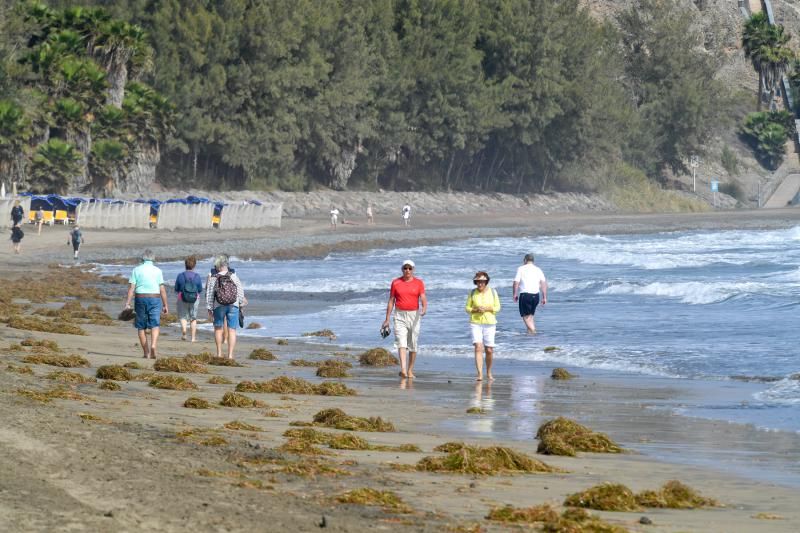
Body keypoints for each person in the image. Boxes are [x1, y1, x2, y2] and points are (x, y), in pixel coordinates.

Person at [382, 259, 427, 379]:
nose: (407, 270)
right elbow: (391, 300)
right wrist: (387, 319)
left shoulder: (419, 283)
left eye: (410, 268)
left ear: (413, 270)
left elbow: (422, 297)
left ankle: (410, 370)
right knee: (401, 342)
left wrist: (424, 308)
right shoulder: (396, 282)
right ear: (402, 269)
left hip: (414, 315)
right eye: (405, 268)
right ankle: (403, 370)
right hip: (399, 315)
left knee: (413, 344)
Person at [123, 250, 169, 359]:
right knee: (155, 324)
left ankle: (146, 352)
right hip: (155, 298)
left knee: (141, 326)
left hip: (140, 298)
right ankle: (153, 346)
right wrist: (165, 304)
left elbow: (131, 288)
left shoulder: (136, 270)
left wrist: (127, 303)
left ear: (142, 259)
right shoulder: (158, 271)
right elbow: (162, 289)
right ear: (153, 259)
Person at [206, 254, 246, 359]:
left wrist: (209, 308)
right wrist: (241, 304)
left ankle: (219, 353)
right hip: (233, 305)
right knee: (232, 330)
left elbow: (209, 295)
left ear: (218, 266)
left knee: (218, 329)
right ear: (227, 265)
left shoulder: (214, 278)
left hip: (219, 305)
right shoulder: (234, 276)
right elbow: (240, 292)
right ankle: (230, 355)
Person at [465, 271, 501, 381]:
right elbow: (467, 308)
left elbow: (498, 307)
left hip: (490, 323)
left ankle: (489, 372)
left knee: (489, 349)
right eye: (478, 282)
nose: (480, 284)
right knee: (478, 347)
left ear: (486, 282)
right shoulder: (472, 293)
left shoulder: (493, 292)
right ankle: (479, 374)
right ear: (475, 282)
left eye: (483, 281)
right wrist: (475, 309)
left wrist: (487, 308)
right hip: (475, 322)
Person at [512, 253, 547, 334]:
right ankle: (530, 336)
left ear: (525, 260)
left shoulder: (521, 268)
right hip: (536, 296)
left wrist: (515, 294)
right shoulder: (538, 269)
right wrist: (544, 297)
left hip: (525, 295)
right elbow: (543, 283)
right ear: (533, 261)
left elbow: (516, 282)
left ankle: (534, 333)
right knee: (530, 316)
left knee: (525, 316)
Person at [174, 255, 203, 342]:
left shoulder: (180, 275)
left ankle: (184, 331)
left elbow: (176, 288)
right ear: (194, 265)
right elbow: (200, 289)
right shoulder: (197, 276)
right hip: (195, 298)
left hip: (182, 297)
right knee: (193, 318)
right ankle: (193, 338)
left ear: (185, 265)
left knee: (183, 316)